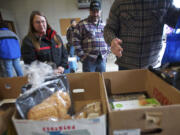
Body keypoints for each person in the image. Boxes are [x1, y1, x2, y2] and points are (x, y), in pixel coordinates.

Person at [104, 0, 180, 70]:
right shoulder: (120, 3)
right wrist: (112, 40)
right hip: (125, 65)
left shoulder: (164, 2)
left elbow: (176, 21)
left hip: (153, 66)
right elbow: (109, 29)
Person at [73, 0, 109, 72]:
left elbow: (109, 40)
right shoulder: (81, 24)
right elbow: (75, 41)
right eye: (93, 11)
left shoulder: (104, 25)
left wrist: (107, 52)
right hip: (88, 60)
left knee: (101, 81)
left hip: (102, 60)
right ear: (89, 11)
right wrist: (83, 56)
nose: (95, 14)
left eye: (97, 11)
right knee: (89, 81)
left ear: (100, 11)